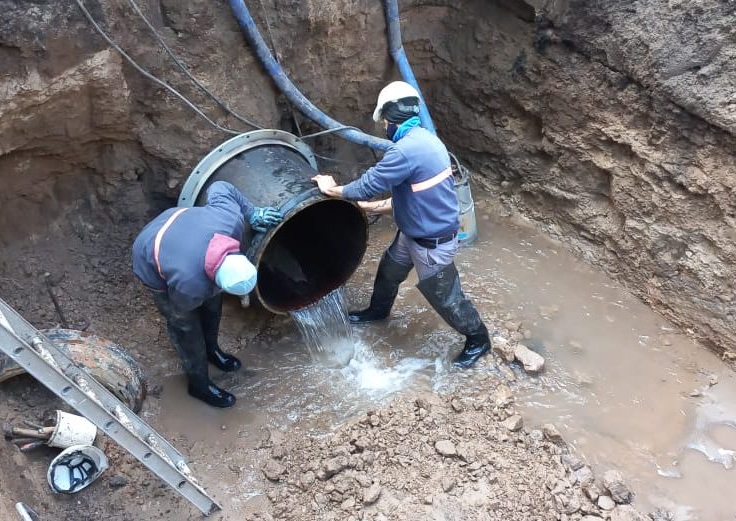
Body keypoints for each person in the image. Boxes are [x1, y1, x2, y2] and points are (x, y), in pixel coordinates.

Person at [311, 81, 491, 368]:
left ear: (390, 119)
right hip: (414, 232)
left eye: (384, 121)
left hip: (433, 243)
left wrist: (331, 189)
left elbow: (366, 186)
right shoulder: (427, 140)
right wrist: (376, 208)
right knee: (389, 270)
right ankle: (377, 312)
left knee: (446, 297)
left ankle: (479, 339)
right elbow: (419, 196)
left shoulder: (404, 151)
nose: (384, 127)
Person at [131, 181, 282, 407]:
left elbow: (221, 186)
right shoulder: (189, 282)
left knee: (213, 304)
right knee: (186, 326)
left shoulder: (230, 220)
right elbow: (182, 306)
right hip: (150, 251)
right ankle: (199, 385)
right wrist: (200, 299)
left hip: (183, 226)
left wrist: (252, 213)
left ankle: (212, 350)